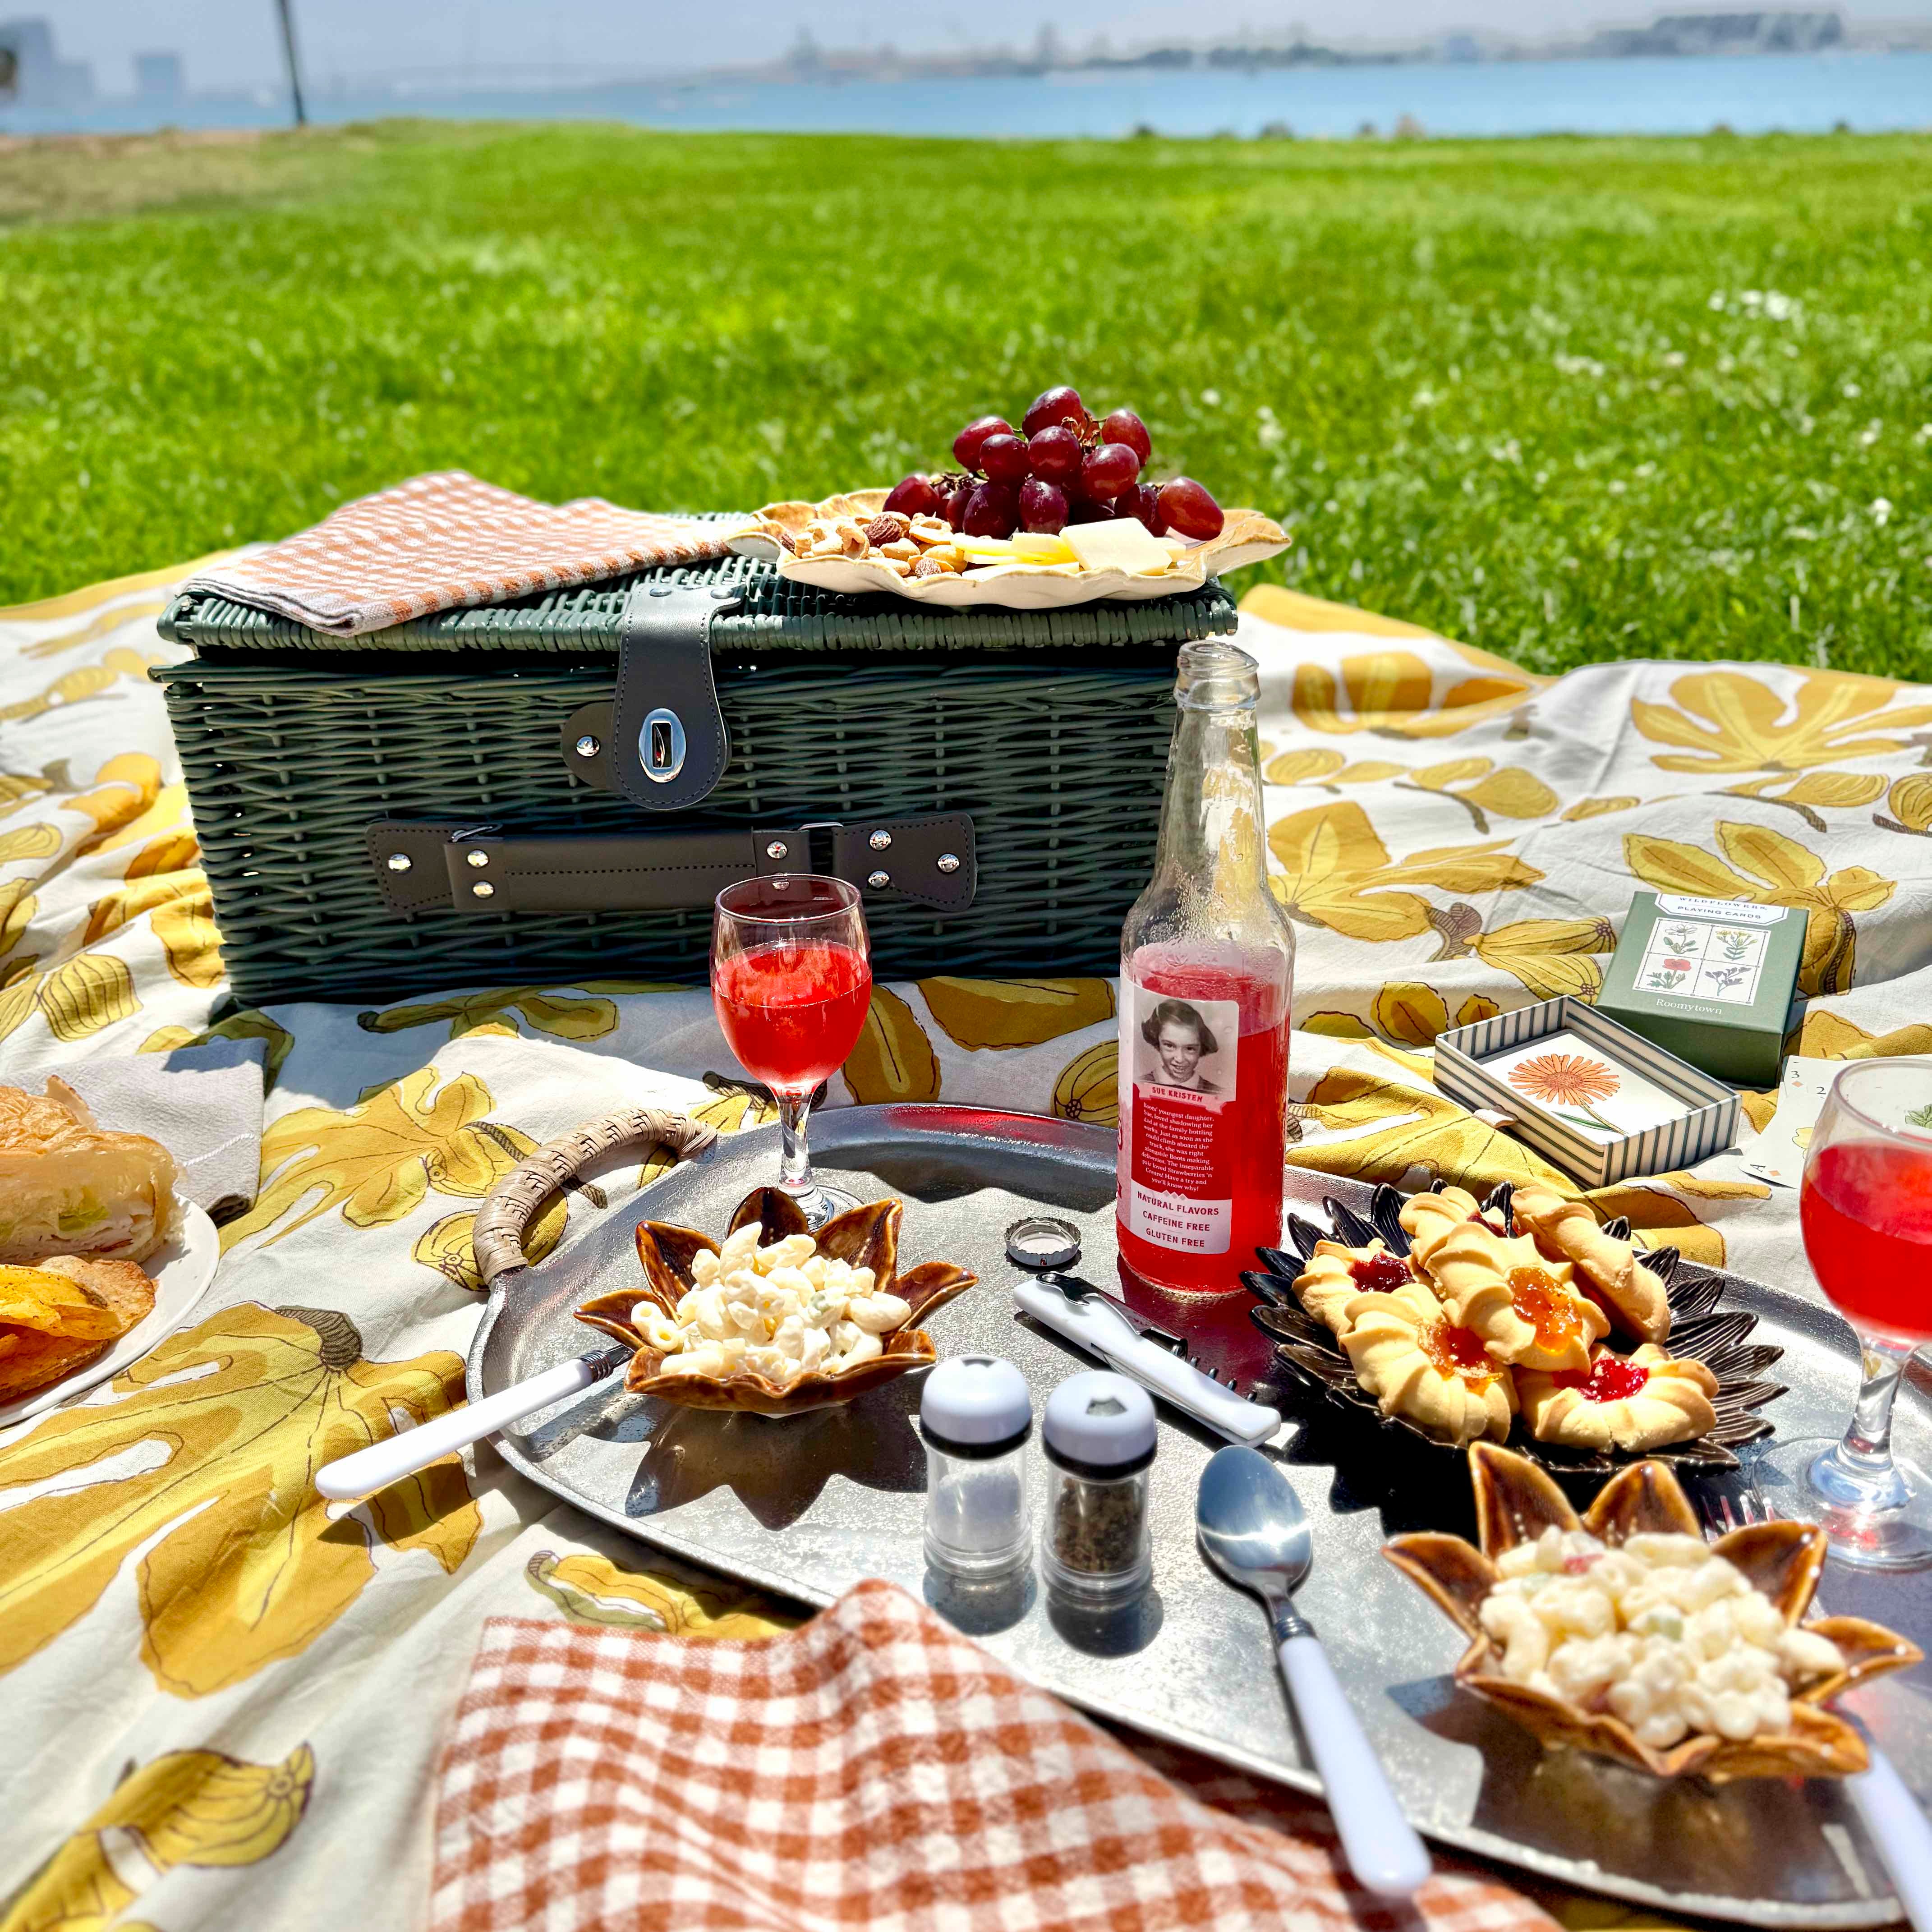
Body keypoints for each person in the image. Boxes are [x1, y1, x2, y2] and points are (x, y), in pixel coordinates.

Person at [1141, 999, 1221, 1093]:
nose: (1180, 1059)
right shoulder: (1140, 1084)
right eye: (1170, 1046)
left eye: (1190, 1049)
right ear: (1158, 1043)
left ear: (1201, 1048)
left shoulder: (1217, 1093)